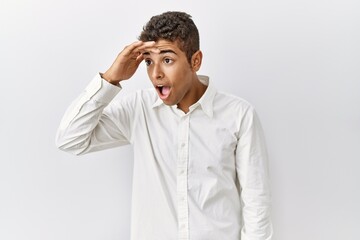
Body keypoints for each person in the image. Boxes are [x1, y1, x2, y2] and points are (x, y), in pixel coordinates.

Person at [56, 11, 273, 240]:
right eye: (149, 61)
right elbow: (70, 139)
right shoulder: (138, 109)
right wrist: (111, 78)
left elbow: (256, 203)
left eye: (167, 60)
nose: (156, 73)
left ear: (195, 61)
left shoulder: (239, 115)